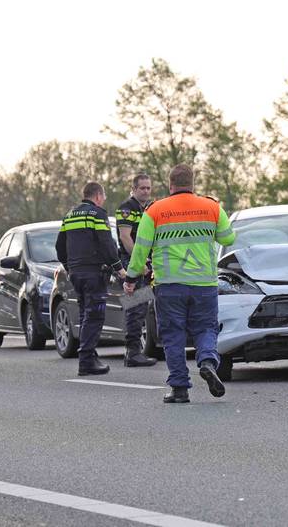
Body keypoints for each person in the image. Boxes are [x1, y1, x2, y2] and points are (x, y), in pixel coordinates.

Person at [124, 164, 236, 404]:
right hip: (204, 283)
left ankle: (179, 388)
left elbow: (141, 249)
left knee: (173, 334)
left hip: (169, 284)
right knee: (206, 328)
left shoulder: (155, 210)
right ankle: (207, 361)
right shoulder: (212, 207)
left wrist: (131, 279)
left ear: (170, 184)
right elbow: (228, 238)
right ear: (192, 183)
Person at [55, 182, 125, 376]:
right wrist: (119, 268)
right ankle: (86, 361)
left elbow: (60, 247)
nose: (103, 200)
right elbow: (106, 243)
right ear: (98, 196)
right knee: (94, 316)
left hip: (76, 274)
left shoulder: (69, 215)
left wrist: (69, 267)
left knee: (85, 314)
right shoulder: (98, 214)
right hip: (94, 273)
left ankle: (90, 356)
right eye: (103, 197)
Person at [115, 174, 157, 368]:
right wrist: (139, 262)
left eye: (148, 188)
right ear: (133, 189)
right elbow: (125, 237)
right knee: (135, 308)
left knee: (141, 308)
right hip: (132, 262)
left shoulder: (148, 208)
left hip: (145, 262)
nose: (146, 191)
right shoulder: (127, 208)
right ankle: (132, 353)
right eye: (142, 188)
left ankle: (134, 352)